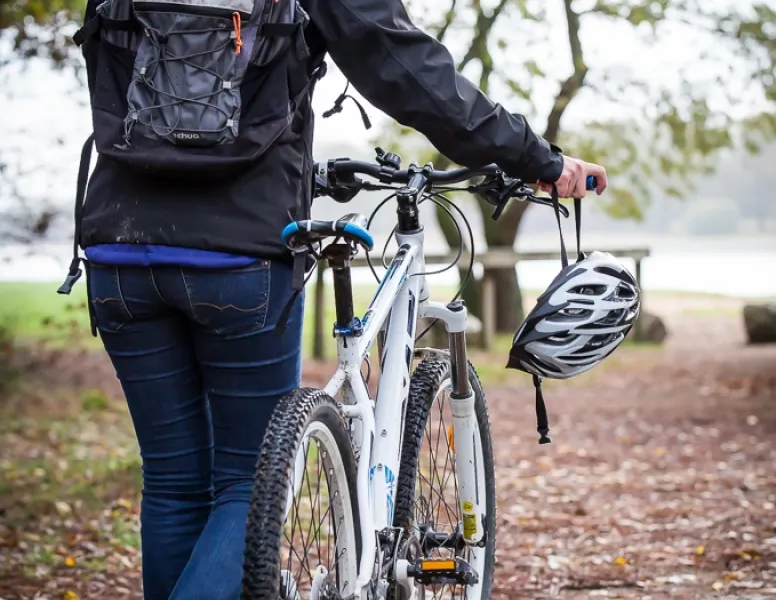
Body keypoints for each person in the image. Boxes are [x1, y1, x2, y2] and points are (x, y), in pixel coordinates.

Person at [62, 0, 608, 597]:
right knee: (248, 484)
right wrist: (538, 158)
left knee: (172, 483)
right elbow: (406, 66)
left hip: (118, 249)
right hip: (240, 257)